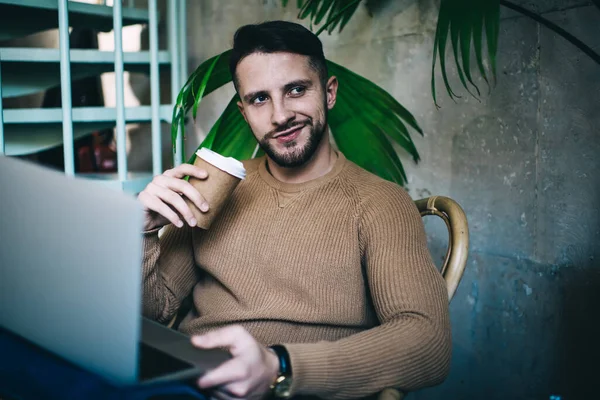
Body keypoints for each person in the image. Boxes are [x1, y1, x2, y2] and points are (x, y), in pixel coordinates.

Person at [137, 20, 451, 400]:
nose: (280, 115)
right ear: (243, 110)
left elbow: (427, 342)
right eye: (259, 99)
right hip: (190, 383)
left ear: (329, 92)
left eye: (296, 90)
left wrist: (279, 367)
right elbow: (152, 311)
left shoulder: (379, 202)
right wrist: (142, 231)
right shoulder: (217, 188)